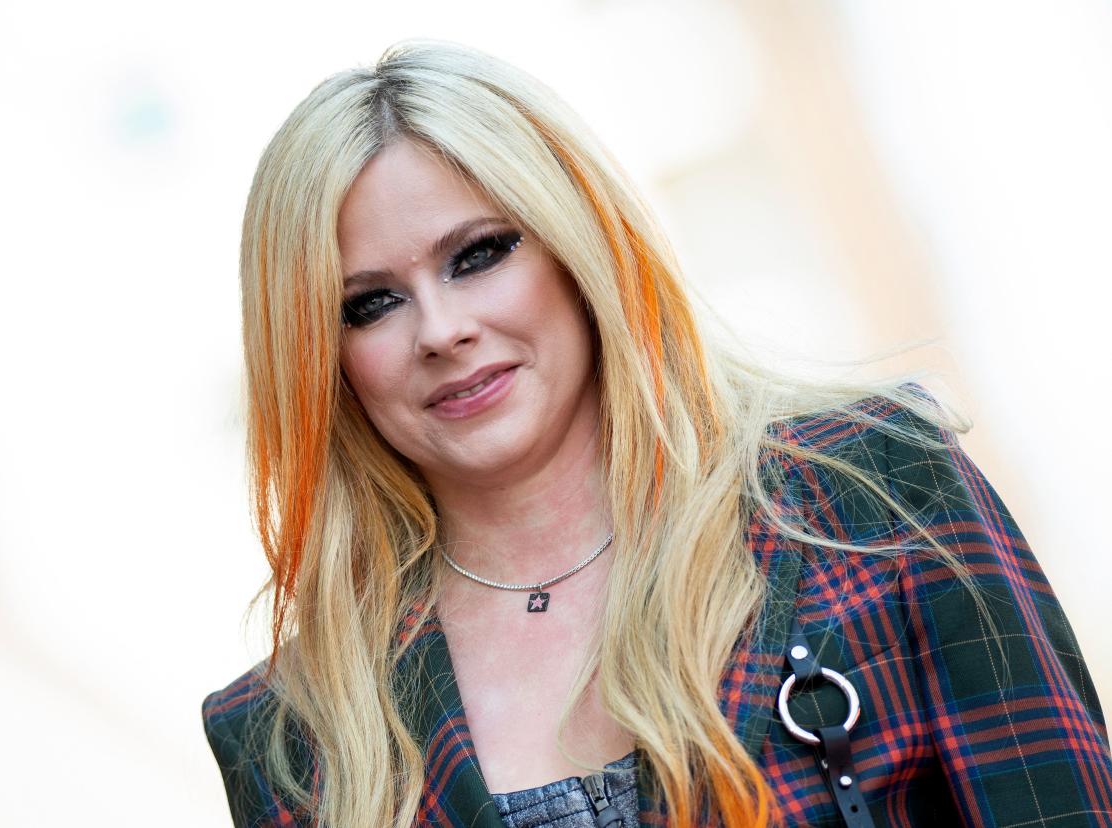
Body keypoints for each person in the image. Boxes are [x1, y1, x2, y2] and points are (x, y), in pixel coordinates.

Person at [202, 40, 1112, 827]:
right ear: (321, 359)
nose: (441, 329)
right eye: (371, 304)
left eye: (477, 254)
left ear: (580, 241)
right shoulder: (290, 738)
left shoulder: (875, 491)